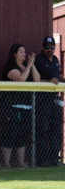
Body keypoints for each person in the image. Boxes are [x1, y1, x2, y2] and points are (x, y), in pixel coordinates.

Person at [0, 43, 39, 168]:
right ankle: (7, 163)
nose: (24, 54)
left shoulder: (26, 67)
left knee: (22, 134)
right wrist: (28, 66)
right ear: (15, 54)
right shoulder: (10, 67)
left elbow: (37, 80)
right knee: (10, 133)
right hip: (12, 107)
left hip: (26, 107)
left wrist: (31, 65)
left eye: (24, 51)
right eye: (21, 52)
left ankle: (21, 163)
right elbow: (21, 79)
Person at [33, 35, 62, 166]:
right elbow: (36, 80)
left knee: (56, 130)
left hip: (55, 99)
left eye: (52, 47)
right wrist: (48, 82)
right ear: (42, 47)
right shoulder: (38, 60)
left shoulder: (55, 59)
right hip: (43, 100)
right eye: (47, 47)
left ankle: (54, 159)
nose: (50, 50)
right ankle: (42, 160)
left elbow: (57, 75)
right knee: (43, 129)